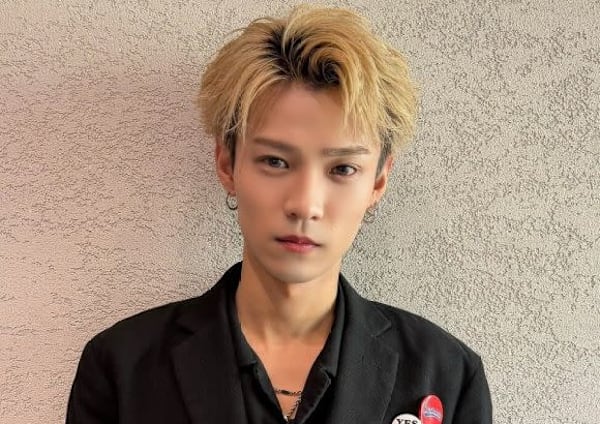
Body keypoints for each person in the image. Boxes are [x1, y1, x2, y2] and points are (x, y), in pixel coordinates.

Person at [66, 5, 492, 424]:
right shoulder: (122, 369)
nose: (305, 204)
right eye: (275, 161)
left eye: (343, 169)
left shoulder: (448, 375)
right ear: (227, 164)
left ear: (378, 182)